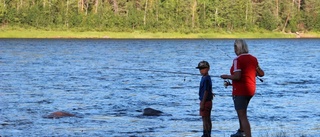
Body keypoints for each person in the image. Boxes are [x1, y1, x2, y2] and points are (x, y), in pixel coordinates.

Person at [220, 39, 264, 137]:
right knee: (242, 111)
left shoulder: (237, 60)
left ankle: (247, 134)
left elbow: (237, 76)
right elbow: (261, 73)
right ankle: (240, 131)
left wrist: (226, 76)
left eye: (234, 47)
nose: (234, 50)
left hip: (240, 91)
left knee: (242, 115)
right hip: (250, 90)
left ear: (237, 48)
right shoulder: (253, 58)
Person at [196, 60, 214, 137]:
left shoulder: (206, 78)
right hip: (208, 101)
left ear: (208, 69)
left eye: (203, 68)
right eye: (200, 69)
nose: (201, 70)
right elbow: (208, 89)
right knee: (207, 118)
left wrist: (202, 103)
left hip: (205, 101)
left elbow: (206, 91)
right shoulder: (207, 78)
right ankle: (208, 133)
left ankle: (206, 133)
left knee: (205, 119)